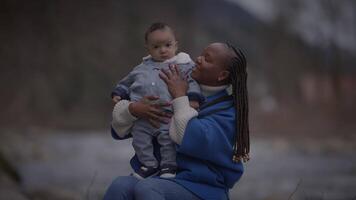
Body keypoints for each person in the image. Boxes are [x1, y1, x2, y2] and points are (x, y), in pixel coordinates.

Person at [105, 42, 250, 200]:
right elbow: (120, 130)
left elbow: (187, 136)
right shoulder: (176, 85)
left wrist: (180, 97)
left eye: (207, 59)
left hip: (203, 188)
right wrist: (133, 110)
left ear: (222, 75)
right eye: (201, 54)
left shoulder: (228, 113)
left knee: (148, 188)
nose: (198, 59)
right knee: (120, 186)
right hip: (165, 176)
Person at [111, 22, 203, 179]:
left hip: (168, 114)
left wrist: (193, 98)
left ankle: (169, 165)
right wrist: (119, 92)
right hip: (142, 117)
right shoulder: (141, 68)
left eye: (167, 45)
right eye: (156, 47)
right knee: (139, 139)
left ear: (176, 45)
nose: (163, 50)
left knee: (168, 140)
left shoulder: (184, 65)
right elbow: (126, 82)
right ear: (148, 48)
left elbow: (192, 82)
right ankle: (149, 165)